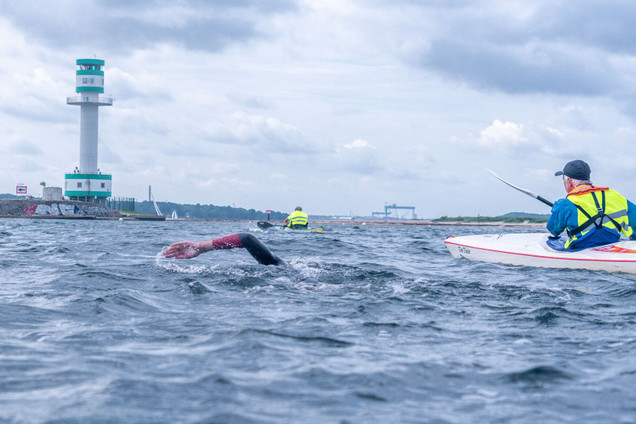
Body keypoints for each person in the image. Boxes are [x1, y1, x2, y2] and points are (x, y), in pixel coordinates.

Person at [547, 159, 636, 250]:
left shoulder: (564, 204)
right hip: (612, 245)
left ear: (569, 181)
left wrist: (557, 211)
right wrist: (633, 239)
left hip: (579, 249)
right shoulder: (615, 196)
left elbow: (553, 230)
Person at [163, 233, 284, 266]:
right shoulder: (287, 269)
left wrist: (201, 247)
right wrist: (201, 247)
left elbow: (247, 239)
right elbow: (247, 239)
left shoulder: (284, 268)